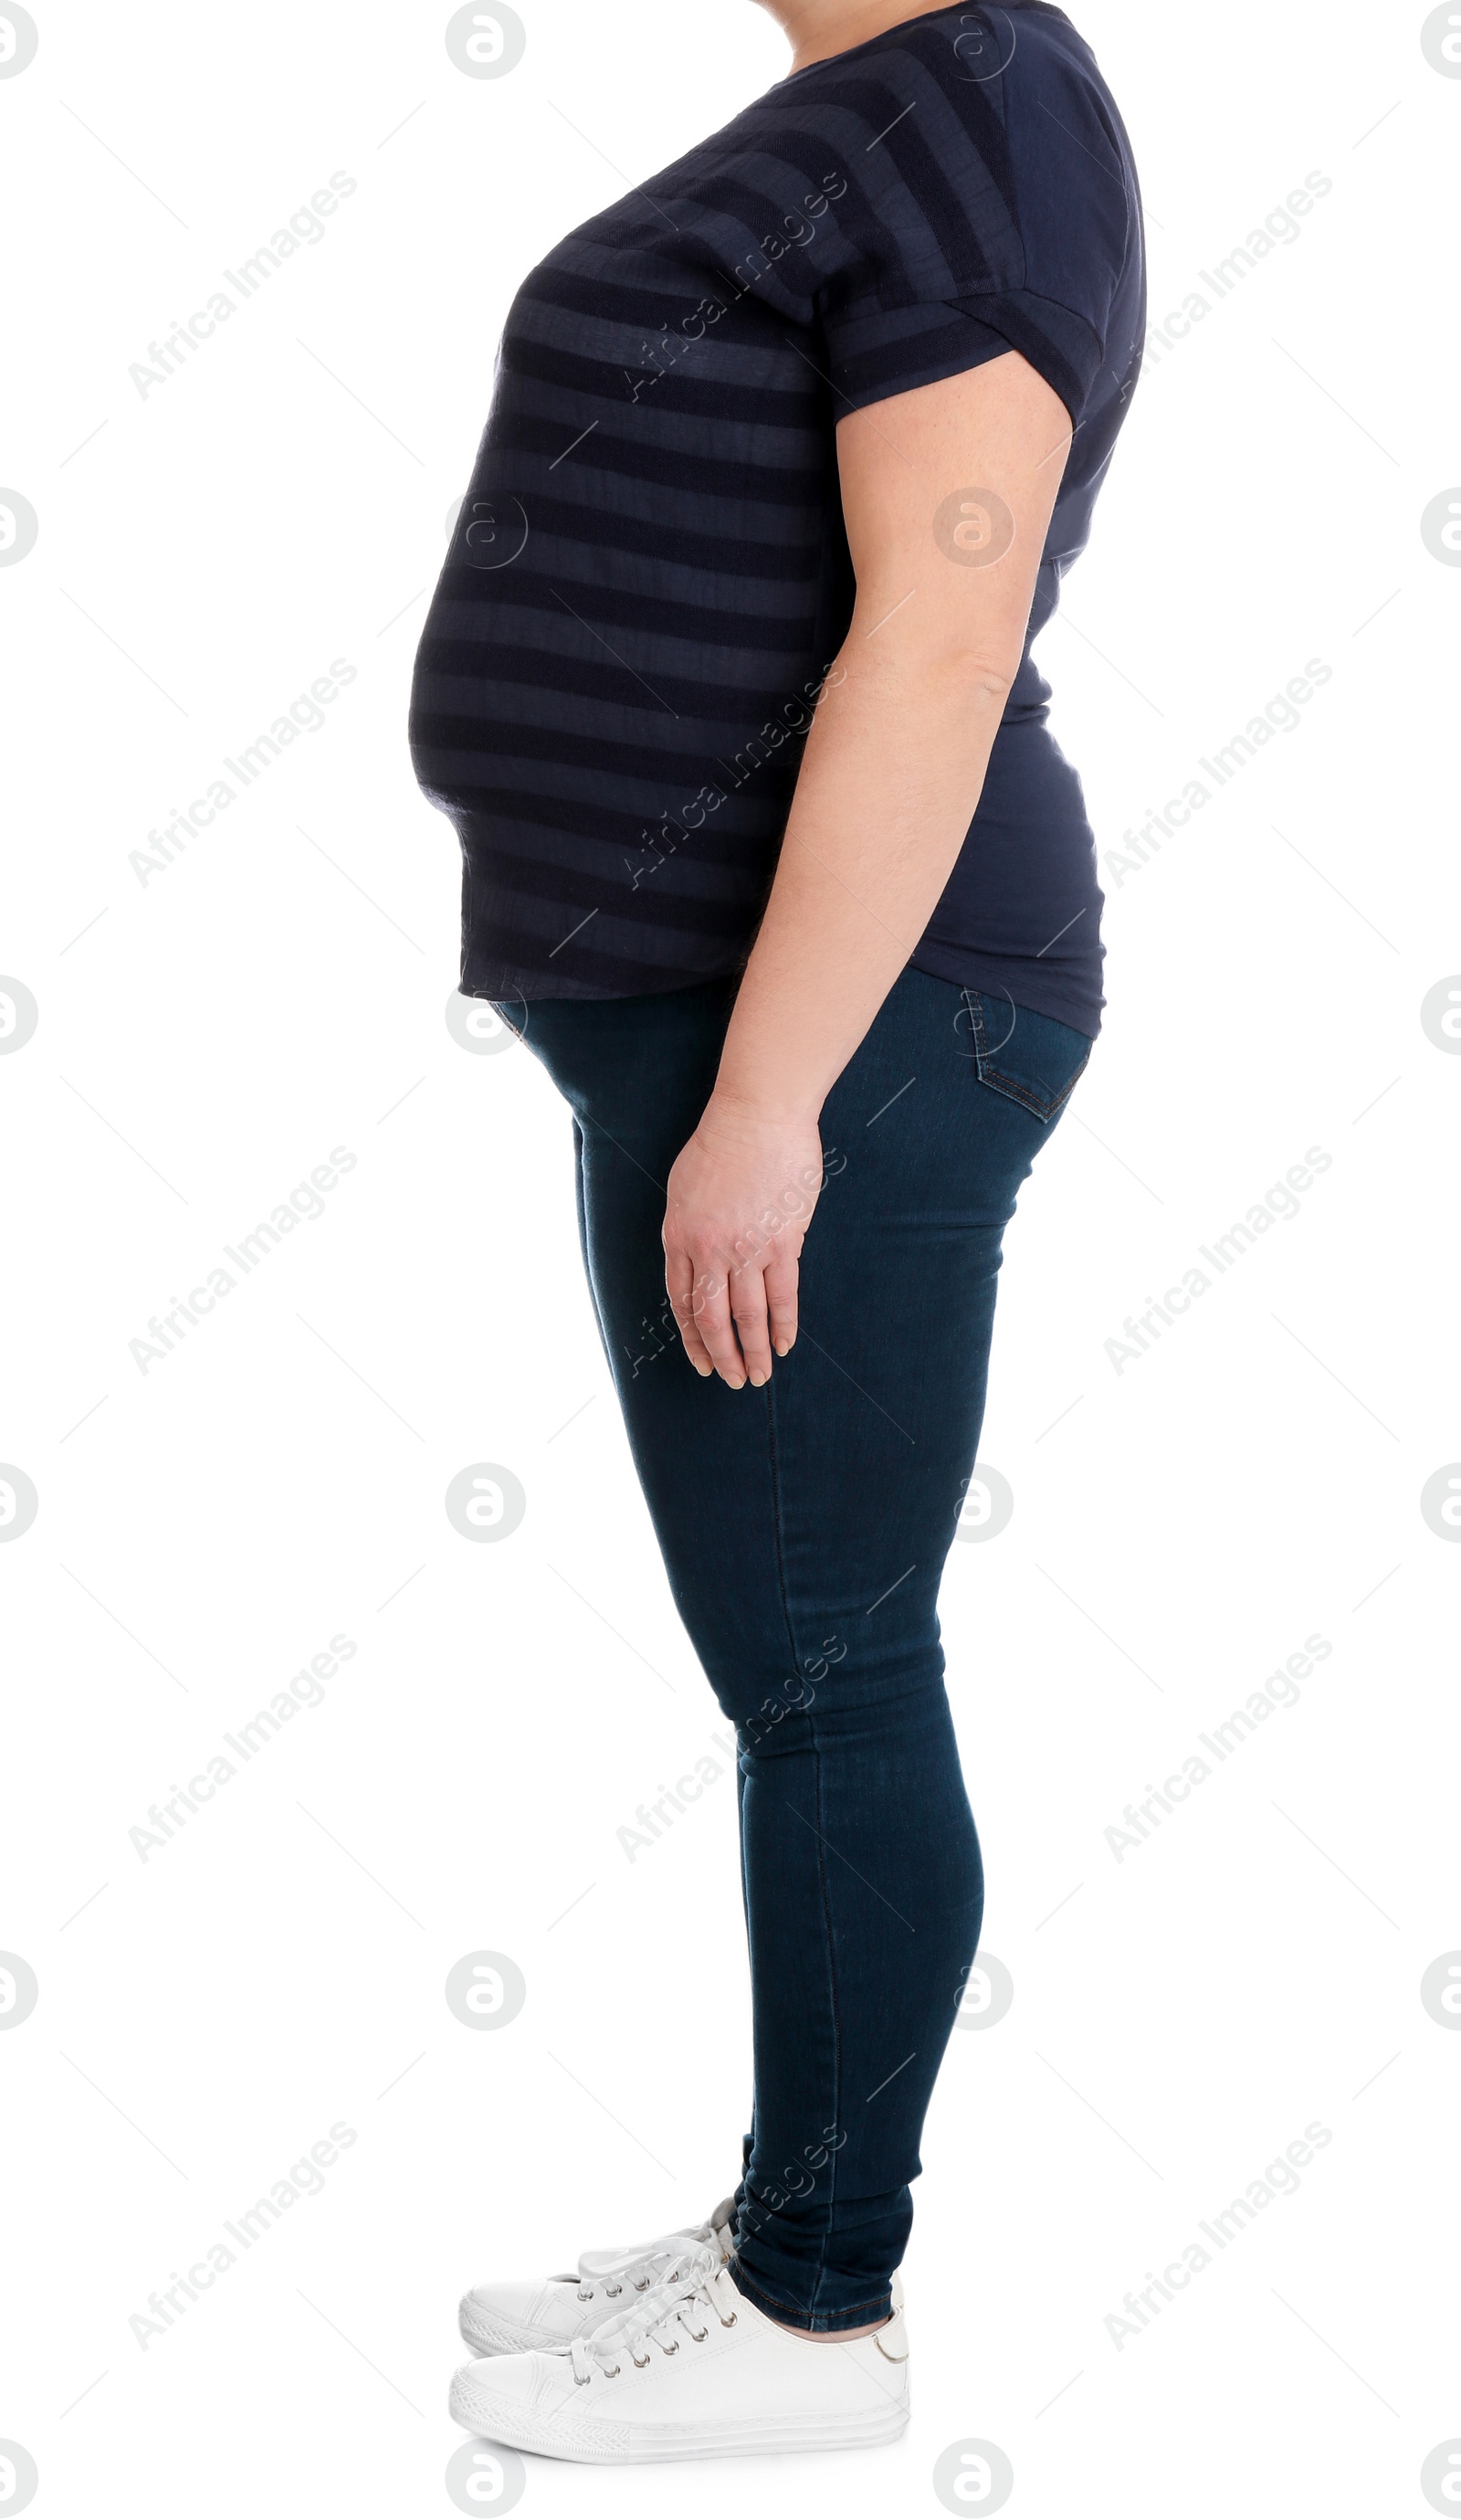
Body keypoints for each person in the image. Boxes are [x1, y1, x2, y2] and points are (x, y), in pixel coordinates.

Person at [410, 0, 1144, 2464]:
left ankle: (818, 2313)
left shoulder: (991, 98)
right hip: (748, 1025)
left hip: (846, 1030)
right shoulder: (881, 118)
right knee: (796, 1662)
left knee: (825, 1667)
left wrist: (768, 1093)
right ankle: (772, 2232)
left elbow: (939, 637)